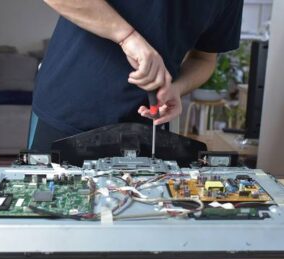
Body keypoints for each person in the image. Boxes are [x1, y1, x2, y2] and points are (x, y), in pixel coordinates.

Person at [29, 0, 243, 151]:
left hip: (147, 127)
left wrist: (176, 88)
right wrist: (127, 37)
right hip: (65, 113)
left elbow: (204, 60)